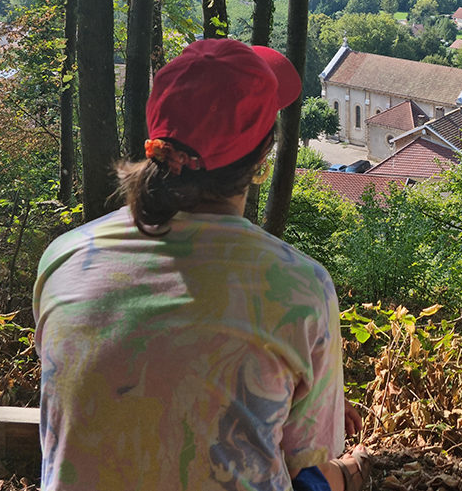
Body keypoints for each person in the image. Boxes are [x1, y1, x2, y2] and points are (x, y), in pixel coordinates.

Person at [33, 38, 370, 491]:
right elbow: (303, 467)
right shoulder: (299, 289)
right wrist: (348, 471)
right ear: (262, 158)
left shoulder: (65, 259)